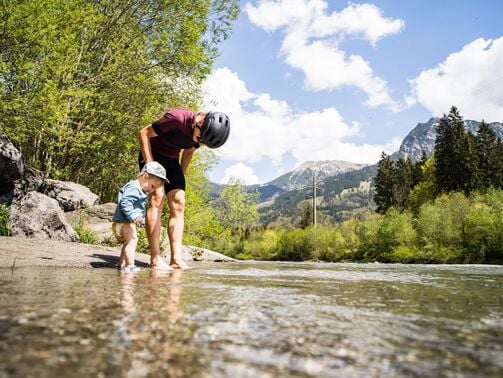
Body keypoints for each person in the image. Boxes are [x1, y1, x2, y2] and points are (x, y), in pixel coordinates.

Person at [139, 108, 230, 270]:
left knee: (179, 202)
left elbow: (189, 150)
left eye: (204, 143)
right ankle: (155, 258)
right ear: (200, 121)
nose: (200, 143)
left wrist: (179, 177)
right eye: (200, 138)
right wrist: (149, 164)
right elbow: (144, 133)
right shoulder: (177, 118)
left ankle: (176, 259)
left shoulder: (202, 136)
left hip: (172, 160)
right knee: (157, 197)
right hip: (153, 154)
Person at [112, 162, 169, 272]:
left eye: (154, 188)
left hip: (126, 221)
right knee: (133, 240)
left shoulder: (139, 189)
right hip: (125, 221)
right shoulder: (135, 187)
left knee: (129, 241)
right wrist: (134, 216)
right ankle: (130, 266)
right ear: (145, 176)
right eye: (152, 186)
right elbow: (125, 202)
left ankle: (122, 263)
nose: (151, 190)